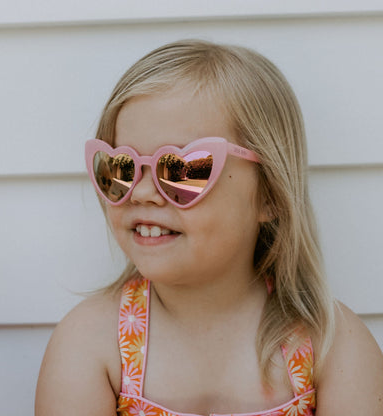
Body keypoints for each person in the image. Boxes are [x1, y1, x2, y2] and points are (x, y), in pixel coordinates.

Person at [35, 40, 383, 415]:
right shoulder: (91, 343)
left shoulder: (332, 346)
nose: (144, 192)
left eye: (183, 169)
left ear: (270, 195)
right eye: (122, 168)